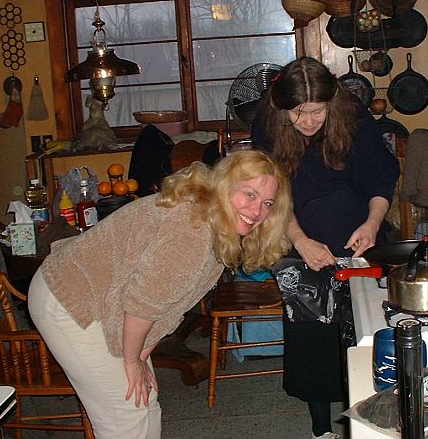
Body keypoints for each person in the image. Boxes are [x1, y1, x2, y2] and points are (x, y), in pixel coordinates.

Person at [28, 150, 291, 438]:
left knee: (143, 402)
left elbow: (168, 306)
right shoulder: (193, 230)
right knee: (127, 412)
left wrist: (140, 357)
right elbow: (144, 305)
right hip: (69, 297)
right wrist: (131, 361)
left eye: (267, 203)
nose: (257, 212)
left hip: (107, 296)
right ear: (225, 184)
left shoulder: (217, 225)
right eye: (249, 195)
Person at [252, 56, 399, 439]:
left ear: (331, 103)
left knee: (366, 325)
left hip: (358, 234)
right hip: (298, 235)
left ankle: (372, 414)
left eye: (316, 111)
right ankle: (322, 428)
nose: (308, 122)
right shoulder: (268, 125)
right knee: (312, 332)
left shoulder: (354, 116)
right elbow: (273, 195)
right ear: (282, 107)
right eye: (297, 113)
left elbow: (381, 177)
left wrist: (372, 223)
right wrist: (299, 241)